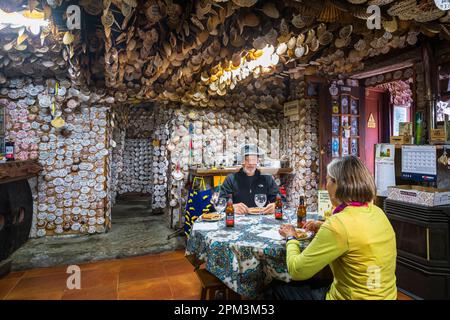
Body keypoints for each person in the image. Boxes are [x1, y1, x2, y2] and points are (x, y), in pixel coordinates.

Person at [267, 155, 397, 300]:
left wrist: (290, 236)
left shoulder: (337, 225)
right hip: (386, 295)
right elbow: (355, 235)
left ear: (337, 185)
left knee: (274, 288)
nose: (325, 186)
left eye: (327, 180)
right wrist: (322, 225)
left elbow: (297, 271)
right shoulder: (377, 212)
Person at [219, 144, 279, 214]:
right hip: (239, 220)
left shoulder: (267, 178)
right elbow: (220, 203)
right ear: (241, 161)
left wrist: (276, 205)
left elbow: (281, 200)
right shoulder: (231, 179)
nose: (250, 163)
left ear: (258, 161)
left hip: (262, 219)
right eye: (247, 160)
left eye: (253, 159)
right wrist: (231, 207)